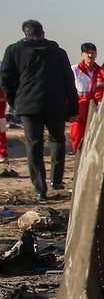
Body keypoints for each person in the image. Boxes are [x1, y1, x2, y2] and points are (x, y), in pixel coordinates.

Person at [0, 20, 78, 199]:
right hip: (55, 104)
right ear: (43, 33)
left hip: (28, 106)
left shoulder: (13, 51)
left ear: (24, 33)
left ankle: (39, 189)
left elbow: (5, 79)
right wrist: (72, 108)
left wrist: (15, 101)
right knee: (57, 141)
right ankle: (56, 180)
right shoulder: (58, 52)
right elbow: (69, 82)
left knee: (34, 145)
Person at [70, 42, 104, 152]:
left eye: (92, 53)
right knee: (77, 136)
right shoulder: (74, 70)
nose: (90, 56)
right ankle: (77, 157)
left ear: (96, 54)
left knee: (94, 138)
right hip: (79, 111)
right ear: (82, 54)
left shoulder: (101, 71)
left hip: (95, 110)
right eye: (87, 53)